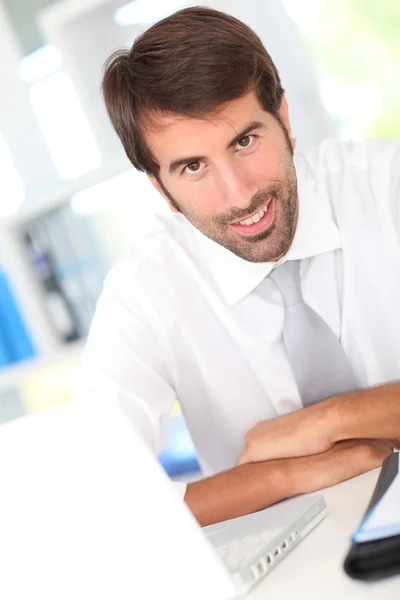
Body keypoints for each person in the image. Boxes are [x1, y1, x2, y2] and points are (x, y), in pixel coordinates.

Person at [74, 6, 400, 527]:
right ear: (162, 189)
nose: (239, 194)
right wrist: (277, 475)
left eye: (245, 141)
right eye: (193, 167)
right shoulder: (146, 288)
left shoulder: (384, 187)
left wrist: (329, 421)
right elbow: (91, 498)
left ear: (285, 120)